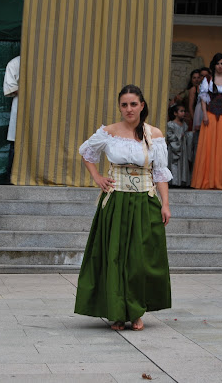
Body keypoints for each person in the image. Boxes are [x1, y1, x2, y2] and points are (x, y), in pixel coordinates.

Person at [74, 84, 172, 331]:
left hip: (144, 201)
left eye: (133, 104)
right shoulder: (109, 132)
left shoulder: (153, 134)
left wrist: (165, 204)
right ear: (120, 107)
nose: (129, 109)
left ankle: (136, 312)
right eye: (124, 105)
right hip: (116, 202)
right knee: (114, 257)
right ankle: (117, 312)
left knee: (139, 259)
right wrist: (97, 177)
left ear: (142, 105)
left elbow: (160, 172)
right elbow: (87, 153)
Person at [191, 53, 222, 190]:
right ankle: (207, 180)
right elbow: (203, 98)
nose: (220, 66)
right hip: (211, 116)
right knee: (208, 146)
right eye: (218, 63)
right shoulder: (208, 79)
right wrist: (205, 115)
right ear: (214, 64)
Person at [3, 55, 21, 184]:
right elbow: (11, 88)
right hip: (20, 108)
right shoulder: (15, 63)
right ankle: (12, 178)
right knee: (16, 144)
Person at [167, 104, 191, 187]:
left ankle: (181, 181)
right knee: (174, 164)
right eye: (181, 111)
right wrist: (179, 137)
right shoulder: (171, 124)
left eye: (184, 111)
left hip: (182, 148)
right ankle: (174, 181)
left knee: (182, 164)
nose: (183, 113)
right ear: (175, 113)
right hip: (174, 148)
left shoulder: (184, 125)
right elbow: (169, 135)